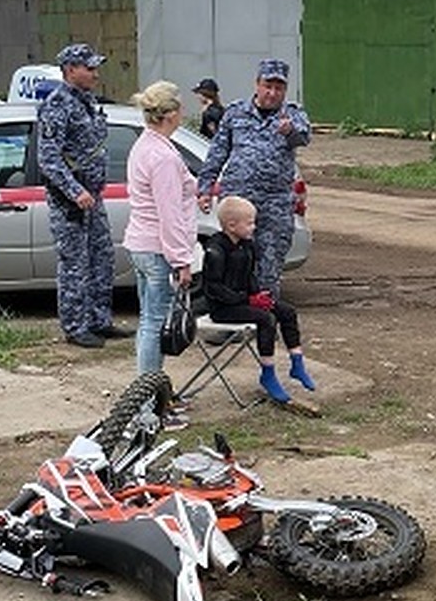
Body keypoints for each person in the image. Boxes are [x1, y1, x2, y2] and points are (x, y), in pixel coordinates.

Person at [37, 43, 134, 349]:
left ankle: (99, 320)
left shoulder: (87, 102)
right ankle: (75, 325)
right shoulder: (58, 104)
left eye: (95, 68)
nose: (95, 73)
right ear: (70, 71)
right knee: (74, 264)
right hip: (71, 202)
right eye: (89, 68)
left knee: (102, 258)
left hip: (94, 197)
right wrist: (74, 190)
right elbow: (48, 158)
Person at [196, 58, 310, 298]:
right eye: (268, 86)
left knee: (268, 268)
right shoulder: (236, 113)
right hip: (238, 203)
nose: (272, 93)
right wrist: (205, 187)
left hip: (274, 204)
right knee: (234, 264)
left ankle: (264, 321)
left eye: (279, 88)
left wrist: (290, 131)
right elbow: (218, 152)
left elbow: (303, 139)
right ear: (257, 84)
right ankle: (235, 318)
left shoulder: (292, 114)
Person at [123, 81, 198, 423]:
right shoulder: (164, 156)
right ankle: (147, 407)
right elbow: (169, 213)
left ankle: (156, 397)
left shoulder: (145, 146)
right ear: (169, 115)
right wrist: (182, 259)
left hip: (140, 244)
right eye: (180, 108)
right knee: (155, 326)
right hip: (157, 250)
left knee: (148, 323)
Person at [202, 195, 315, 404]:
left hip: (244, 300)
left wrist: (258, 295)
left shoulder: (247, 245)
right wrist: (247, 299)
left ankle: (297, 363)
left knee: (286, 311)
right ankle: (268, 373)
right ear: (231, 225)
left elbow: (250, 276)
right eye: (250, 223)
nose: (254, 227)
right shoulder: (215, 249)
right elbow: (214, 288)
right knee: (266, 319)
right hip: (223, 308)